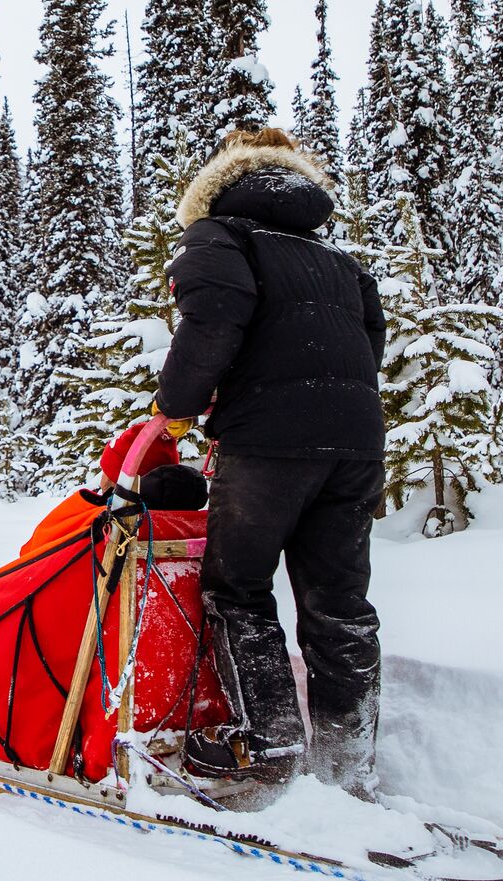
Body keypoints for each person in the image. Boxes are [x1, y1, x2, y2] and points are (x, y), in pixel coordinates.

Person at [152, 128, 387, 799]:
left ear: (220, 183)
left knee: (239, 587)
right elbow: (371, 339)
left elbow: (212, 323)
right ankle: (348, 772)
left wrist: (177, 409)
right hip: (356, 443)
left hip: (267, 445)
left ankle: (270, 749)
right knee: (339, 601)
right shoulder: (335, 255)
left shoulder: (221, 237)